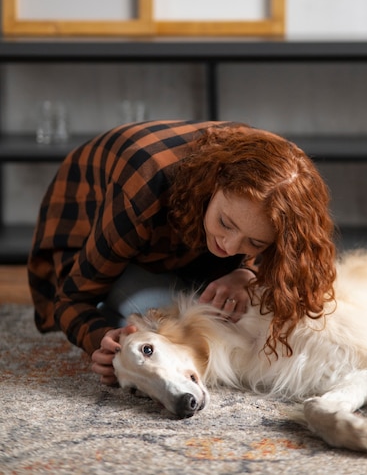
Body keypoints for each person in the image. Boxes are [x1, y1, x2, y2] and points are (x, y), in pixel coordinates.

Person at [27, 119, 336, 386]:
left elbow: (284, 262)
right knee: (159, 321)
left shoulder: (285, 178)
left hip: (179, 239)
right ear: (214, 183)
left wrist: (246, 272)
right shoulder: (143, 191)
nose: (228, 247)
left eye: (255, 243)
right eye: (225, 223)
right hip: (94, 228)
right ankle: (115, 307)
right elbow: (70, 299)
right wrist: (102, 338)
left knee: (241, 314)